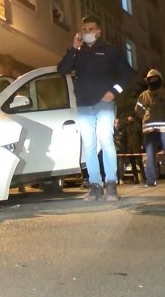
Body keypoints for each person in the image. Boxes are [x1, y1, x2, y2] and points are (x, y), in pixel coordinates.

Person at [57, 16, 135, 201]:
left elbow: (127, 74)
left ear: (99, 32)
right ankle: (95, 186)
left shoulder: (110, 50)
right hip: (84, 104)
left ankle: (111, 184)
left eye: (91, 29)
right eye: (84, 29)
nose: (87, 33)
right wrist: (73, 49)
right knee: (89, 145)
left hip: (104, 103)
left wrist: (114, 92)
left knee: (106, 141)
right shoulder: (78, 52)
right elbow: (62, 70)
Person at [135, 69, 165, 186]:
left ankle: (151, 181)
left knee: (150, 155)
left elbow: (138, 111)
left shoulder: (143, 95)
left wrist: (147, 117)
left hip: (149, 129)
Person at [113, 118, 126, 183]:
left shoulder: (122, 130)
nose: (117, 124)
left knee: (120, 165)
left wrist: (115, 138)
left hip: (120, 150)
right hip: (113, 151)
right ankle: (116, 179)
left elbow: (122, 138)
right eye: (115, 123)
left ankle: (121, 179)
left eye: (118, 123)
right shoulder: (111, 130)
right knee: (114, 166)